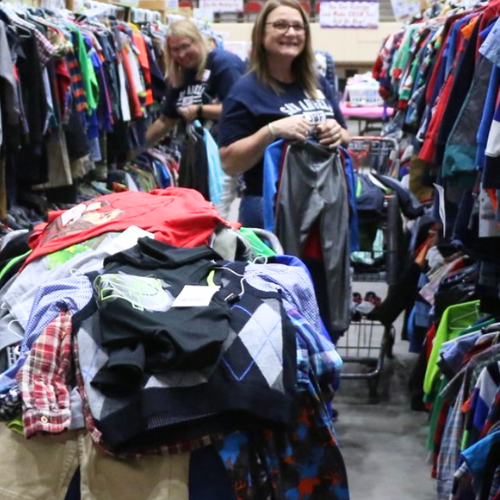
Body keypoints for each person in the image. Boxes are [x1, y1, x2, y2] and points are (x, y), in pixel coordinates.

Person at [218, 0, 350, 227]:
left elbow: (346, 136)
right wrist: (272, 131)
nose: (291, 33)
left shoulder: (316, 82)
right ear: (261, 34)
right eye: (280, 25)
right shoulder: (245, 90)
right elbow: (229, 162)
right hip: (269, 207)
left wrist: (338, 133)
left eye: (298, 27)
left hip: (325, 204)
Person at [145, 19, 246, 146]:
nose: (181, 54)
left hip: (228, 150)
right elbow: (167, 120)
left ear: (198, 41)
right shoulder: (181, 73)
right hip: (198, 153)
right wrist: (132, 151)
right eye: (175, 49)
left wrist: (200, 110)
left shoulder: (225, 65)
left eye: (185, 46)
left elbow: (238, 110)